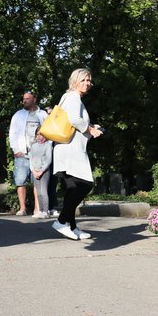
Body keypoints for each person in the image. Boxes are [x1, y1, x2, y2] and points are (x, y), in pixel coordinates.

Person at [51, 68, 103, 240]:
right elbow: (74, 119)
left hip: (67, 150)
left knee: (72, 188)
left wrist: (91, 127)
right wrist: (90, 129)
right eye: (83, 80)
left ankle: (71, 226)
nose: (87, 84)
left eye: (89, 81)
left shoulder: (71, 98)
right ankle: (61, 221)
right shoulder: (73, 97)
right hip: (70, 152)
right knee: (85, 184)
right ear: (74, 82)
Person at [8, 90, 48, 215]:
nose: (24, 101)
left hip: (37, 154)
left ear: (34, 99)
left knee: (37, 181)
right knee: (20, 181)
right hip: (22, 154)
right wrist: (16, 150)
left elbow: (49, 133)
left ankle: (37, 208)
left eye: (27, 98)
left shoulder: (42, 115)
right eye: (24, 99)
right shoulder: (18, 115)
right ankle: (22, 208)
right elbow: (12, 133)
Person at [29, 132, 53, 218]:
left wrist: (41, 171)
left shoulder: (48, 145)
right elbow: (31, 158)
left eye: (41, 135)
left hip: (44, 171)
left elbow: (48, 160)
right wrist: (33, 170)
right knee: (38, 192)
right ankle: (41, 210)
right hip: (35, 171)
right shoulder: (33, 146)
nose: (39, 137)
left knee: (44, 191)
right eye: (37, 135)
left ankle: (46, 211)